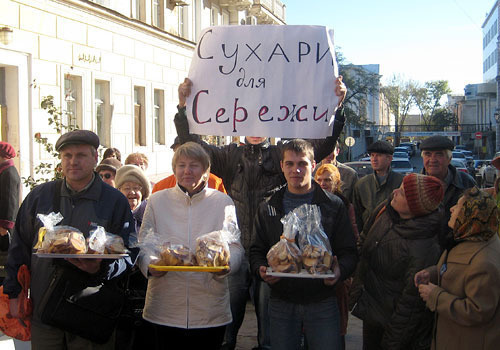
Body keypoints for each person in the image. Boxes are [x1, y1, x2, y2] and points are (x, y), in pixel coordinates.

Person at [175, 76, 347, 350]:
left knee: (270, 327)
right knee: (226, 323)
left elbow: (320, 146)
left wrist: (337, 108)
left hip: (275, 252)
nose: (256, 127)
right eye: (249, 121)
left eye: (262, 120)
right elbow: (195, 147)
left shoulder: (281, 153)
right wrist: (183, 108)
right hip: (236, 250)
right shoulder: (229, 156)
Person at [4, 129, 135, 349]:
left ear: (95, 158)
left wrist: (100, 269)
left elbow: (129, 252)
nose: (73, 161)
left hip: (91, 312)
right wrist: (14, 292)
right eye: (67, 156)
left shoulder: (114, 201)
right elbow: (19, 248)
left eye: (81, 155)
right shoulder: (39, 196)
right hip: (44, 310)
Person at [249, 139, 358, 350]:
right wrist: (261, 269)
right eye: (289, 164)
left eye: (302, 163)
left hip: (322, 299)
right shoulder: (268, 206)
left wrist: (339, 271)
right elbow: (256, 250)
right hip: (281, 299)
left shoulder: (333, 205)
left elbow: (349, 252)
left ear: (313, 165)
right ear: (281, 166)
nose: (296, 169)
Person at [138, 142, 244, 350]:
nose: (187, 171)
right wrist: (150, 266)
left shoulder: (223, 202)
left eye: (194, 165)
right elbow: (144, 244)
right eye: (181, 165)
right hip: (165, 305)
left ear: (206, 171)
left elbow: (235, 245)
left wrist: (227, 264)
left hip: (209, 307)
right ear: (174, 169)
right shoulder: (158, 201)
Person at [350, 173, 444, 350]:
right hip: (373, 313)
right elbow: (364, 238)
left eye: (401, 192)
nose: (394, 192)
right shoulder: (386, 211)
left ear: (414, 207)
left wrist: (391, 343)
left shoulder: (424, 247)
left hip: (393, 328)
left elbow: (410, 306)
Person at [416, 187, 500, 350]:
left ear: (471, 216)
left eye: (459, 207)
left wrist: (435, 296)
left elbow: (478, 311)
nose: (452, 209)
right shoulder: (472, 236)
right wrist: (432, 273)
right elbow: (456, 271)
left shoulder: (484, 263)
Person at [314, 163, 358, 350]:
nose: (323, 184)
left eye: (328, 180)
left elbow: (352, 237)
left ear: (337, 182)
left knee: (336, 324)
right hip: (313, 269)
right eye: (320, 180)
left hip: (336, 272)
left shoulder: (344, 205)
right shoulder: (310, 201)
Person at [114, 164, 152, 350]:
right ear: (118, 190)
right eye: (127, 188)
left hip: (146, 281)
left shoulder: (151, 214)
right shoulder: (114, 214)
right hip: (119, 282)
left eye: (137, 188)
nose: (132, 192)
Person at [419, 135, 476, 247]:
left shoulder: (466, 183)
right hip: (424, 251)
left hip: (458, 249)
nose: (432, 160)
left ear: (449, 159)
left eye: (439, 154)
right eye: (428, 154)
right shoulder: (412, 185)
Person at [353, 140, 404, 232]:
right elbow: (357, 214)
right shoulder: (362, 184)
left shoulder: (401, 182)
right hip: (368, 235)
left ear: (389, 158)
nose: (374, 159)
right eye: (372, 155)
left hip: (393, 235)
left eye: (379, 155)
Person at [151, 137, 227, 194]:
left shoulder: (216, 183)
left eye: (193, 165)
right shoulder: (160, 189)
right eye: (179, 151)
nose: (187, 171)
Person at [0, 141, 20, 284]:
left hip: (3, 232)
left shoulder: (9, 173)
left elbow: (9, 202)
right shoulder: (4, 172)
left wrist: (3, 228)